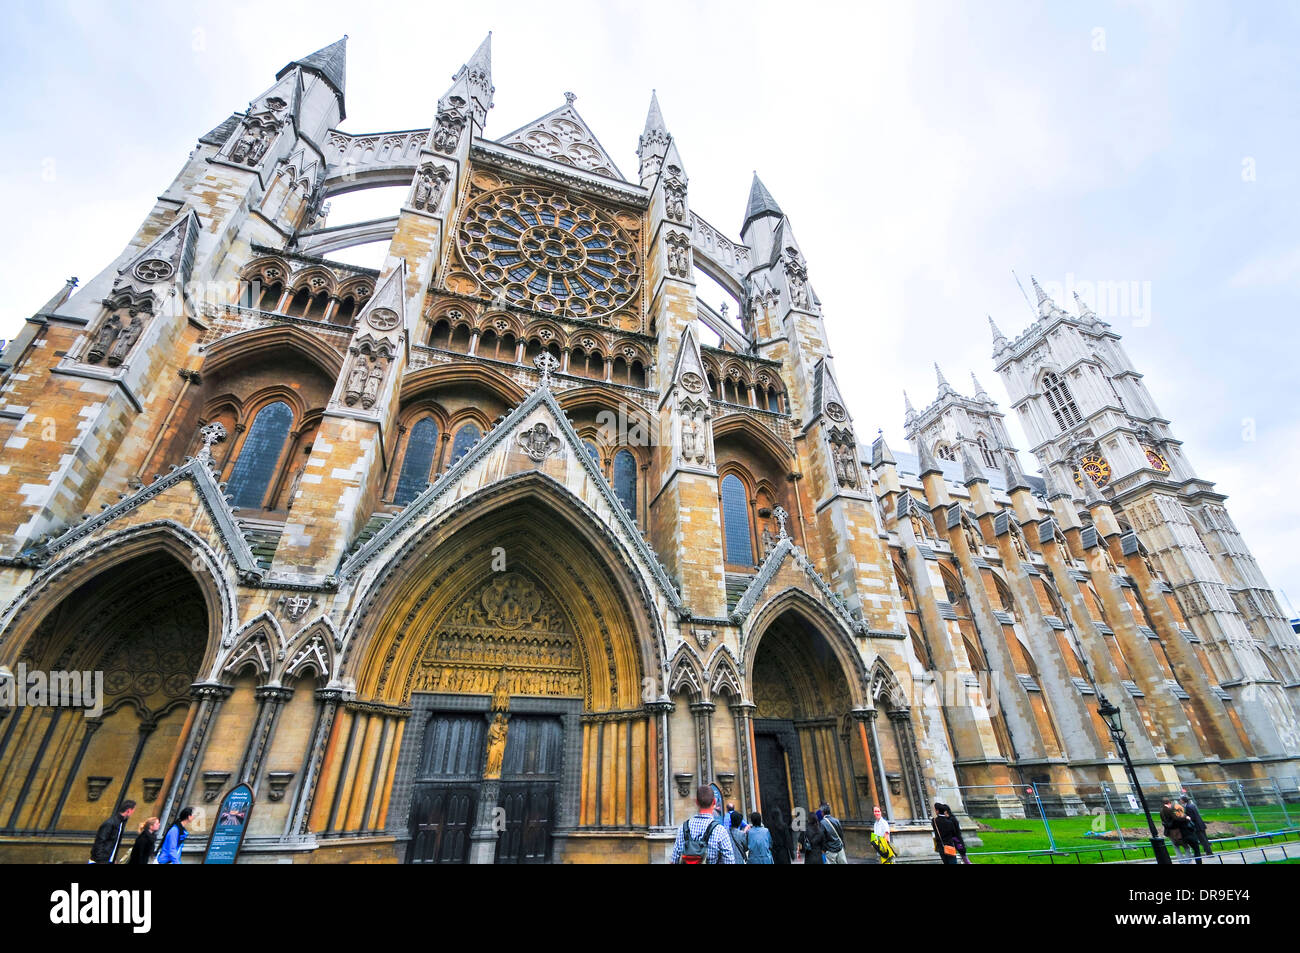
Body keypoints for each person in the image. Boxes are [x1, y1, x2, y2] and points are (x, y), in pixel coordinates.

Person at [671, 785, 735, 864]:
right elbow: (730, 861)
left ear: (697, 802)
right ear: (714, 802)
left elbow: (674, 861)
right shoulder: (720, 831)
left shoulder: (683, 829)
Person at [90, 800, 136, 864]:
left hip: (108, 859)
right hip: (101, 860)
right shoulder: (110, 823)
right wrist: (101, 860)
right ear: (129, 810)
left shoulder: (120, 823)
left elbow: (114, 843)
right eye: (133, 810)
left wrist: (113, 858)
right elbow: (99, 842)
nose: (133, 813)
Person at [1160, 798, 1200, 864]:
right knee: (1186, 846)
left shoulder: (1161, 811)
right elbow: (1176, 818)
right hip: (1176, 831)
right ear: (1169, 803)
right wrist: (1186, 817)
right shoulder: (1170, 810)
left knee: (1176, 848)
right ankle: (1187, 861)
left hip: (1169, 832)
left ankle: (1181, 861)